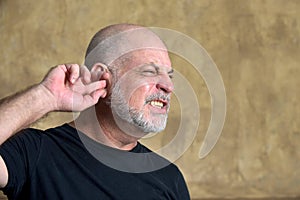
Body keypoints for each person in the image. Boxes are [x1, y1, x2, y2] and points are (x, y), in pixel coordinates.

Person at [0, 23, 190, 200]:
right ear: (101, 76)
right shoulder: (34, 152)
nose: (168, 86)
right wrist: (46, 95)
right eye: (150, 71)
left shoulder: (169, 178)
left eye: (169, 75)